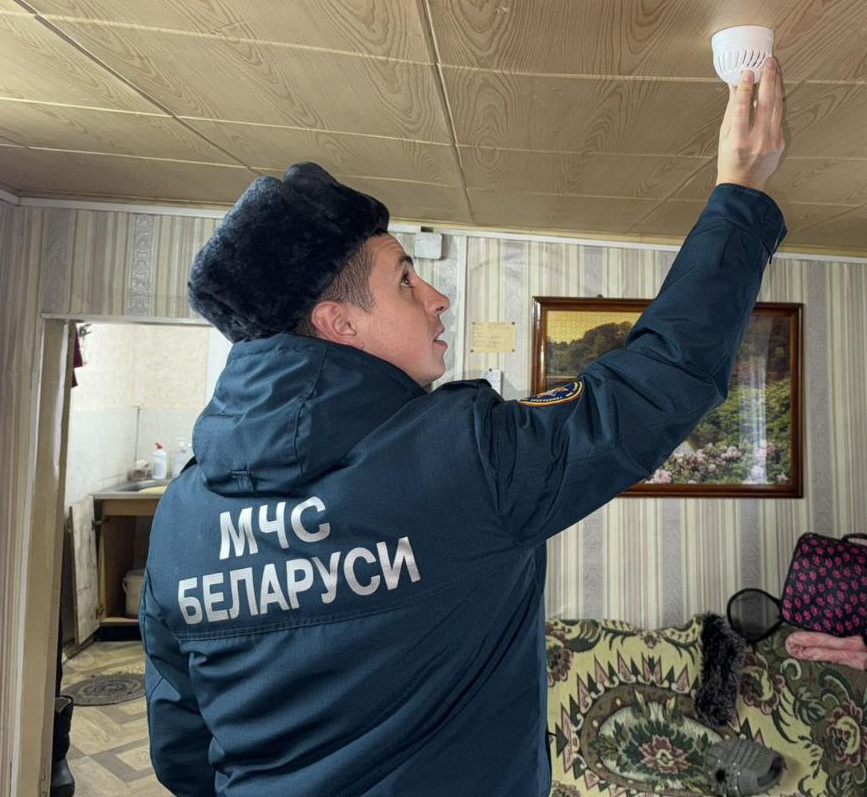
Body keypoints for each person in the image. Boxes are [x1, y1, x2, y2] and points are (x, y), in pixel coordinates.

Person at [141, 58, 789, 796]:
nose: (438, 297)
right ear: (338, 322)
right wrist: (741, 192)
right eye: (405, 279)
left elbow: (182, 751)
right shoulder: (461, 459)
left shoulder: (179, 518)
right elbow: (659, 380)